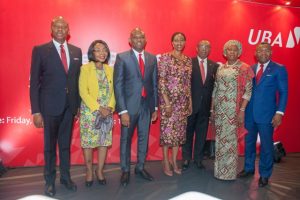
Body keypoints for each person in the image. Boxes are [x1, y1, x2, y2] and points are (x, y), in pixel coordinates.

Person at [30, 16, 82, 197]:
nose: (60, 29)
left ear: (68, 30)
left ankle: (66, 178)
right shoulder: (40, 50)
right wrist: (36, 111)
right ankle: (50, 181)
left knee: (65, 146)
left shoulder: (77, 51)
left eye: (64, 26)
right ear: (51, 29)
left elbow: (76, 81)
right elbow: (35, 82)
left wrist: (78, 106)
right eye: (56, 26)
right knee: (50, 147)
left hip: (69, 108)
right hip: (49, 107)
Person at [238, 42, 288, 187]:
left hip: (267, 115)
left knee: (266, 146)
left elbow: (284, 92)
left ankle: (265, 174)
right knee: (249, 143)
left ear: (270, 53)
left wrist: (279, 113)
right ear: (255, 53)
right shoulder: (251, 69)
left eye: (266, 50)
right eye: (260, 51)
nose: (263, 53)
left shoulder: (279, 69)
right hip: (250, 114)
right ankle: (248, 168)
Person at [113, 27, 158, 186]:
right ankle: (125, 170)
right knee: (125, 139)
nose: (139, 40)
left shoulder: (152, 58)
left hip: (146, 107)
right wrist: (122, 110)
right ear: (130, 41)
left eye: (142, 37)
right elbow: (118, 86)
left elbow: (154, 84)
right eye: (136, 37)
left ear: (145, 41)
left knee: (144, 139)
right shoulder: (122, 57)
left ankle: (140, 167)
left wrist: (155, 108)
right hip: (129, 108)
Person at [211, 40, 254, 180]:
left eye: (235, 50)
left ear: (239, 52)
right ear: (225, 52)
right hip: (220, 111)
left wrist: (242, 110)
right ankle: (219, 172)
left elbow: (248, 91)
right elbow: (215, 90)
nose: (232, 52)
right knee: (220, 140)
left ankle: (228, 174)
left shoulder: (244, 68)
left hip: (233, 110)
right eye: (229, 50)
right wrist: (212, 110)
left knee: (230, 141)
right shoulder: (221, 68)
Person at [79, 40, 115, 187]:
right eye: (98, 50)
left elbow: (114, 92)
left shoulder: (110, 69)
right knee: (88, 144)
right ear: (92, 53)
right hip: (90, 113)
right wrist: (99, 108)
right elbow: (83, 92)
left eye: (104, 49)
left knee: (103, 143)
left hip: (107, 113)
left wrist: (110, 107)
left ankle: (99, 171)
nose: (102, 52)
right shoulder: (85, 69)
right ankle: (89, 171)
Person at [158, 32, 192, 176]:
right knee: (167, 135)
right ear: (172, 42)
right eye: (176, 40)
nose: (179, 43)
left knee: (178, 135)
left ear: (184, 42)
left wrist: (190, 102)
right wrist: (167, 103)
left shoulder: (188, 60)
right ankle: (165, 161)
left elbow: (188, 83)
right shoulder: (165, 58)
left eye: (181, 40)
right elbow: (161, 81)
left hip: (182, 102)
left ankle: (174, 161)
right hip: (168, 102)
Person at [182, 40, 219, 171]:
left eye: (207, 47)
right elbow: (184, 85)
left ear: (209, 50)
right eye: (202, 47)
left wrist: (212, 107)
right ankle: (186, 158)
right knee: (188, 133)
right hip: (191, 105)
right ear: (197, 48)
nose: (204, 49)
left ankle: (198, 159)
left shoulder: (214, 65)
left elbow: (215, 87)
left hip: (205, 106)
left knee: (202, 134)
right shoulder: (188, 62)